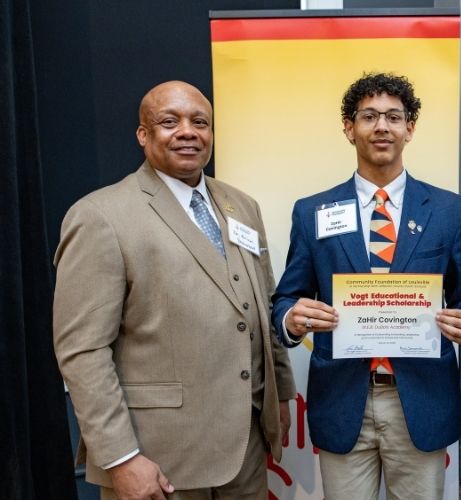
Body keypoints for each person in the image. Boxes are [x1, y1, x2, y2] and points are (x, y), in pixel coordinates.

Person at [53, 81, 296, 500]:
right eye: (170, 122)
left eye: (200, 122)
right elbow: (82, 351)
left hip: (246, 453)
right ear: (143, 136)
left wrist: (281, 395)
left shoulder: (242, 206)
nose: (188, 131)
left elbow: (261, 304)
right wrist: (120, 458)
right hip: (161, 460)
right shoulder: (100, 216)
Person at [271, 72, 461, 499]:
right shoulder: (312, 211)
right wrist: (292, 319)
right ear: (349, 128)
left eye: (394, 116)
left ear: (410, 128)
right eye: (369, 116)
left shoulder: (447, 210)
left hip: (421, 400)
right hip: (342, 399)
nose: (382, 126)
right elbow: (285, 298)